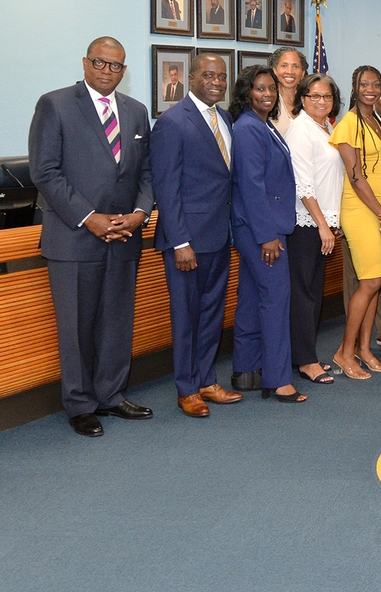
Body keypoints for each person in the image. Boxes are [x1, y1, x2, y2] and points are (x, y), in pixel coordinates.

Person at [29, 36, 154, 437]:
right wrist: (89, 218)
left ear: (124, 70)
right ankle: (80, 403)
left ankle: (111, 395)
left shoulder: (136, 112)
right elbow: (45, 172)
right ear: (86, 63)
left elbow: (146, 173)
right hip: (74, 238)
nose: (107, 72)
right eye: (100, 63)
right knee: (77, 326)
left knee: (116, 322)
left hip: (123, 237)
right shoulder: (56, 104)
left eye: (116, 66)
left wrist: (139, 213)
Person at [150, 52, 242, 418]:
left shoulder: (226, 118)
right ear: (191, 78)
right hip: (187, 241)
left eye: (221, 76)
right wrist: (180, 242)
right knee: (186, 316)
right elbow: (166, 187)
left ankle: (206, 379)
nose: (216, 81)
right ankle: (186, 388)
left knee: (211, 314)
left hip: (220, 236)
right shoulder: (172, 122)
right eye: (208, 75)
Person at [229, 65, 305, 403]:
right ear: (247, 93)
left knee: (251, 300)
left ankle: (246, 370)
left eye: (271, 89)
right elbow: (252, 186)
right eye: (260, 89)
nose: (268, 94)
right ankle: (277, 379)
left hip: (259, 228)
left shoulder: (263, 125)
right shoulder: (248, 128)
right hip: (262, 231)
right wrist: (267, 235)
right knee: (276, 301)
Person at [330, 65, 381, 379]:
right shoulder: (348, 124)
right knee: (369, 282)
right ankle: (344, 352)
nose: (370, 89)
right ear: (354, 88)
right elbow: (356, 177)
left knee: (376, 280)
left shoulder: (380, 124)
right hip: (360, 209)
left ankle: (364, 348)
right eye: (364, 84)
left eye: (375, 85)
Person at [284, 73, 345, 386]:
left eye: (327, 96)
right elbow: (303, 185)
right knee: (304, 295)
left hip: (323, 222)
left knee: (312, 293)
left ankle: (305, 354)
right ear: (302, 99)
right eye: (315, 96)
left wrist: (333, 222)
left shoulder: (326, 127)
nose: (322, 101)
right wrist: (322, 224)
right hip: (306, 225)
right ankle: (306, 361)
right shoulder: (300, 130)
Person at [268, 47, 307, 137]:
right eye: (284, 66)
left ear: (302, 73)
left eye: (295, 66)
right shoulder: (268, 101)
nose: (290, 72)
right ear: (275, 70)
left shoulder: (309, 101)